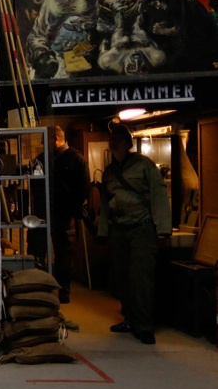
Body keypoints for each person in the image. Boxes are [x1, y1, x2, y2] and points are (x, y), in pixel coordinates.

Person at [98, 123, 171, 345]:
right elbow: (105, 204)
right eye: (112, 139)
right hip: (119, 229)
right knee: (122, 278)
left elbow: (158, 195)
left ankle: (144, 325)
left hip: (141, 228)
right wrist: (103, 231)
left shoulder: (144, 165)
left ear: (127, 143)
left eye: (118, 139)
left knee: (141, 278)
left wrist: (163, 229)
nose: (113, 142)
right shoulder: (109, 172)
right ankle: (129, 319)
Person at [49, 126, 90, 304]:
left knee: (64, 253)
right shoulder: (50, 158)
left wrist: (73, 208)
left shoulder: (75, 159)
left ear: (56, 139)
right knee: (59, 252)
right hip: (53, 211)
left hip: (65, 214)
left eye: (46, 140)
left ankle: (64, 291)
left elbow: (84, 188)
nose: (44, 144)